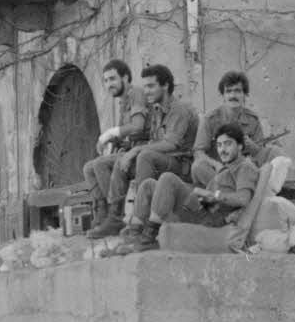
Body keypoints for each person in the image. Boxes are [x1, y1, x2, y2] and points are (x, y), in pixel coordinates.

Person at [88, 64, 199, 238]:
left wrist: (137, 150)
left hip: (180, 165)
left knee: (144, 155)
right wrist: (127, 151)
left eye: (151, 86)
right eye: (145, 86)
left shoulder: (180, 110)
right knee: (122, 160)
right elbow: (153, 140)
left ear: (165, 86)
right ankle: (115, 217)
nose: (146, 91)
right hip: (161, 160)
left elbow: (171, 144)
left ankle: (142, 217)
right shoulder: (156, 109)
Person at [118, 122, 260, 252]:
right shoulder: (227, 168)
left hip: (211, 218)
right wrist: (200, 193)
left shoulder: (245, 167)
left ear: (240, 146)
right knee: (149, 184)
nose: (222, 150)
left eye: (228, 144)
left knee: (168, 178)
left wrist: (214, 195)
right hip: (202, 207)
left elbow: (243, 199)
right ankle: (134, 234)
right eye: (219, 145)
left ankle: (150, 236)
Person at [82, 59, 149, 232]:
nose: (108, 84)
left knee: (100, 164)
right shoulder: (123, 101)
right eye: (105, 80)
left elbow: (138, 126)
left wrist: (109, 134)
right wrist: (115, 142)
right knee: (88, 168)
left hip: (144, 152)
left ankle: (116, 216)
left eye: (112, 79)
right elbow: (125, 134)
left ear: (125, 78)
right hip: (131, 150)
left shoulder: (137, 93)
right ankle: (102, 214)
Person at [191, 70, 283, 187]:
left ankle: (237, 189)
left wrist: (251, 146)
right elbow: (198, 152)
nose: (233, 96)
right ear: (223, 96)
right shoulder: (210, 119)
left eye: (237, 91)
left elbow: (260, 153)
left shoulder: (252, 120)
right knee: (198, 166)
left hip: (243, 171)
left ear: (245, 95)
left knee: (275, 153)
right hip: (217, 172)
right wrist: (216, 165)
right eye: (228, 91)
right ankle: (232, 190)